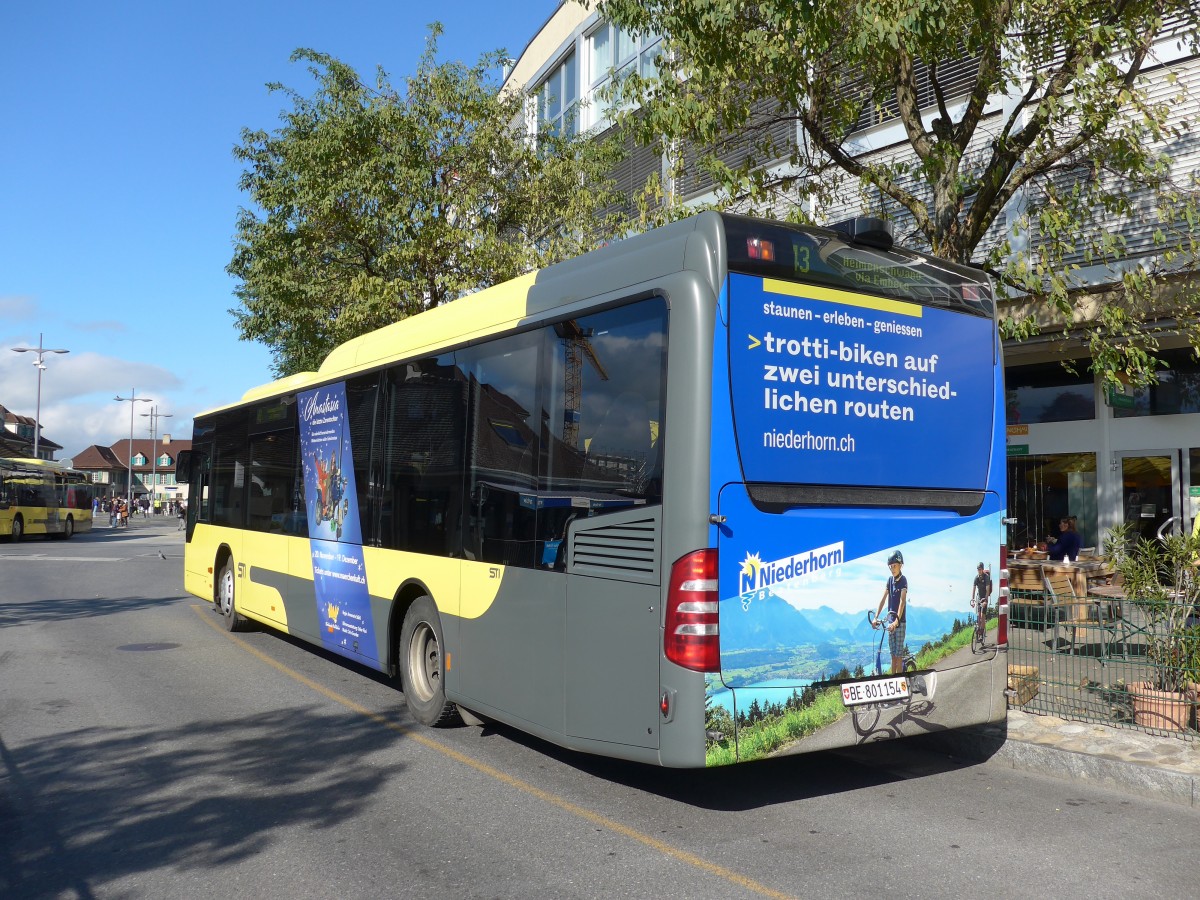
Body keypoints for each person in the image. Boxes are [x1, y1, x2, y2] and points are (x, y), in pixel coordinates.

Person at [873, 550, 908, 675]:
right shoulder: (889, 581)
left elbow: (902, 601)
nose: (892, 569)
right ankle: (894, 682)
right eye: (890, 566)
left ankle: (900, 685)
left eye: (895, 566)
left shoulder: (903, 580)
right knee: (892, 656)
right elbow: (883, 599)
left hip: (899, 623)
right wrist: (875, 617)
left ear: (900, 565)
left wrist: (897, 621)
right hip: (890, 623)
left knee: (898, 657)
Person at [971, 561, 992, 633]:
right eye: (978, 569)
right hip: (979, 597)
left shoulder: (986, 577)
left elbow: (987, 590)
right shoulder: (976, 578)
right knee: (978, 614)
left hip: (985, 597)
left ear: (982, 569)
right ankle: (978, 629)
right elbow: (974, 589)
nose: (979, 571)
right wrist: (972, 599)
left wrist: (986, 600)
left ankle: (982, 632)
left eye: (980, 569)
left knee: (983, 616)